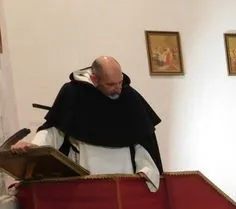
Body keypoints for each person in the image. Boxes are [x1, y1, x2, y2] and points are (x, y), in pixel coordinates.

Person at [10, 56, 163, 191]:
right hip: (85, 175)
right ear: (94, 79)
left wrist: (146, 169)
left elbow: (143, 139)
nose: (118, 89)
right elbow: (55, 130)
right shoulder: (73, 93)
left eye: (120, 82)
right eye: (110, 84)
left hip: (124, 177)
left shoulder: (129, 96)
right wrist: (34, 148)